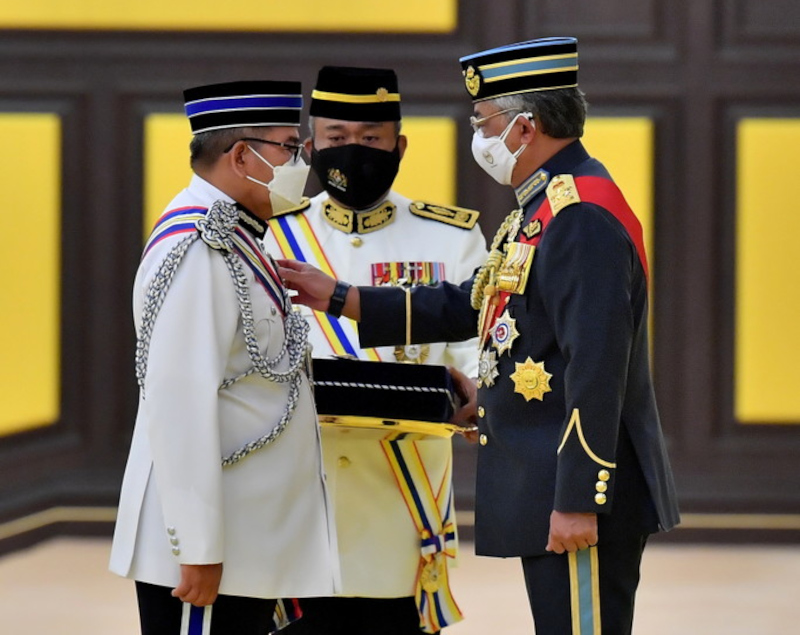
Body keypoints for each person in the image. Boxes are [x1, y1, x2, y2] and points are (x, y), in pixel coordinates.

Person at [278, 37, 680, 635]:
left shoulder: (580, 217)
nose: (479, 136)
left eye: (484, 122)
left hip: (573, 491)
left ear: (526, 126)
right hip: (543, 483)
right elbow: (473, 303)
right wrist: (342, 297)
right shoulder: (537, 208)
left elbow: (595, 368)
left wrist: (578, 499)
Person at [262, 66, 487, 635]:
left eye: (370, 139)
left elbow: (477, 345)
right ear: (311, 148)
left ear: (399, 146)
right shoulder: (273, 234)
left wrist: (475, 396)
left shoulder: (452, 237)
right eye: (337, 139)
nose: (353, 151)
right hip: (300, 486)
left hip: (401, 488)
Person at [109, 80, 340, 635]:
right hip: (211, 550)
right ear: (243, 155)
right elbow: (178, 400)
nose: (300, 160)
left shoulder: (236, 235)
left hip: (247, 539)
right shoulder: (196, 247)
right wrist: (198, 544)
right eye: (290, 146)